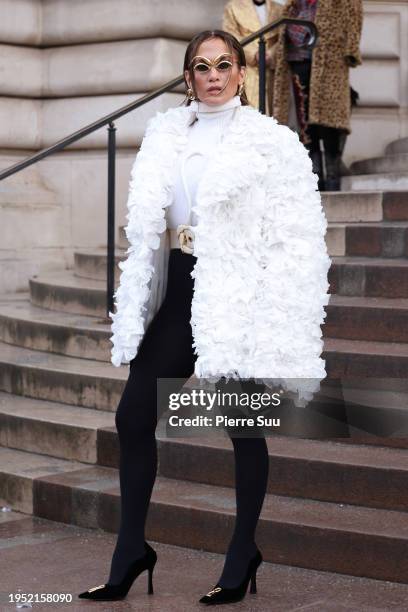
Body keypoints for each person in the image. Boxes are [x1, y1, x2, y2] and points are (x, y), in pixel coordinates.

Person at [78, 29, 331, 606]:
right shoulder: (168, 135)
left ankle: (242, 552)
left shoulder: (272, 142)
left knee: (243, 428)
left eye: (224, 64)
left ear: (242, 73)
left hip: (239, 294)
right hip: (184, 283)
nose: (213, 75)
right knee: (132, 415)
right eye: (201, 66)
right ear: (187, 76)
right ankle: (130, 551)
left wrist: (276, 318)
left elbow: (296, 241)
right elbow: (150, 225)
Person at [273, 0, 363, 190]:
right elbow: (288, 25)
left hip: (328, 64)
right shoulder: (294, 4)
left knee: (330, 124)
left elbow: (353, 17)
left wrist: (351, 51)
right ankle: (315, 179)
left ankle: (332, 178)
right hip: (298, 62)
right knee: (306, 126)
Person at [223, 0, 286, 114]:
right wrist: (254, 53)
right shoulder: (233, 7)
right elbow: (230, 37)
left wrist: (270, 54)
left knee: (273, 115)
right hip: (246, 69)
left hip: (272, 71)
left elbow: (283, 38)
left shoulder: (280, 9)